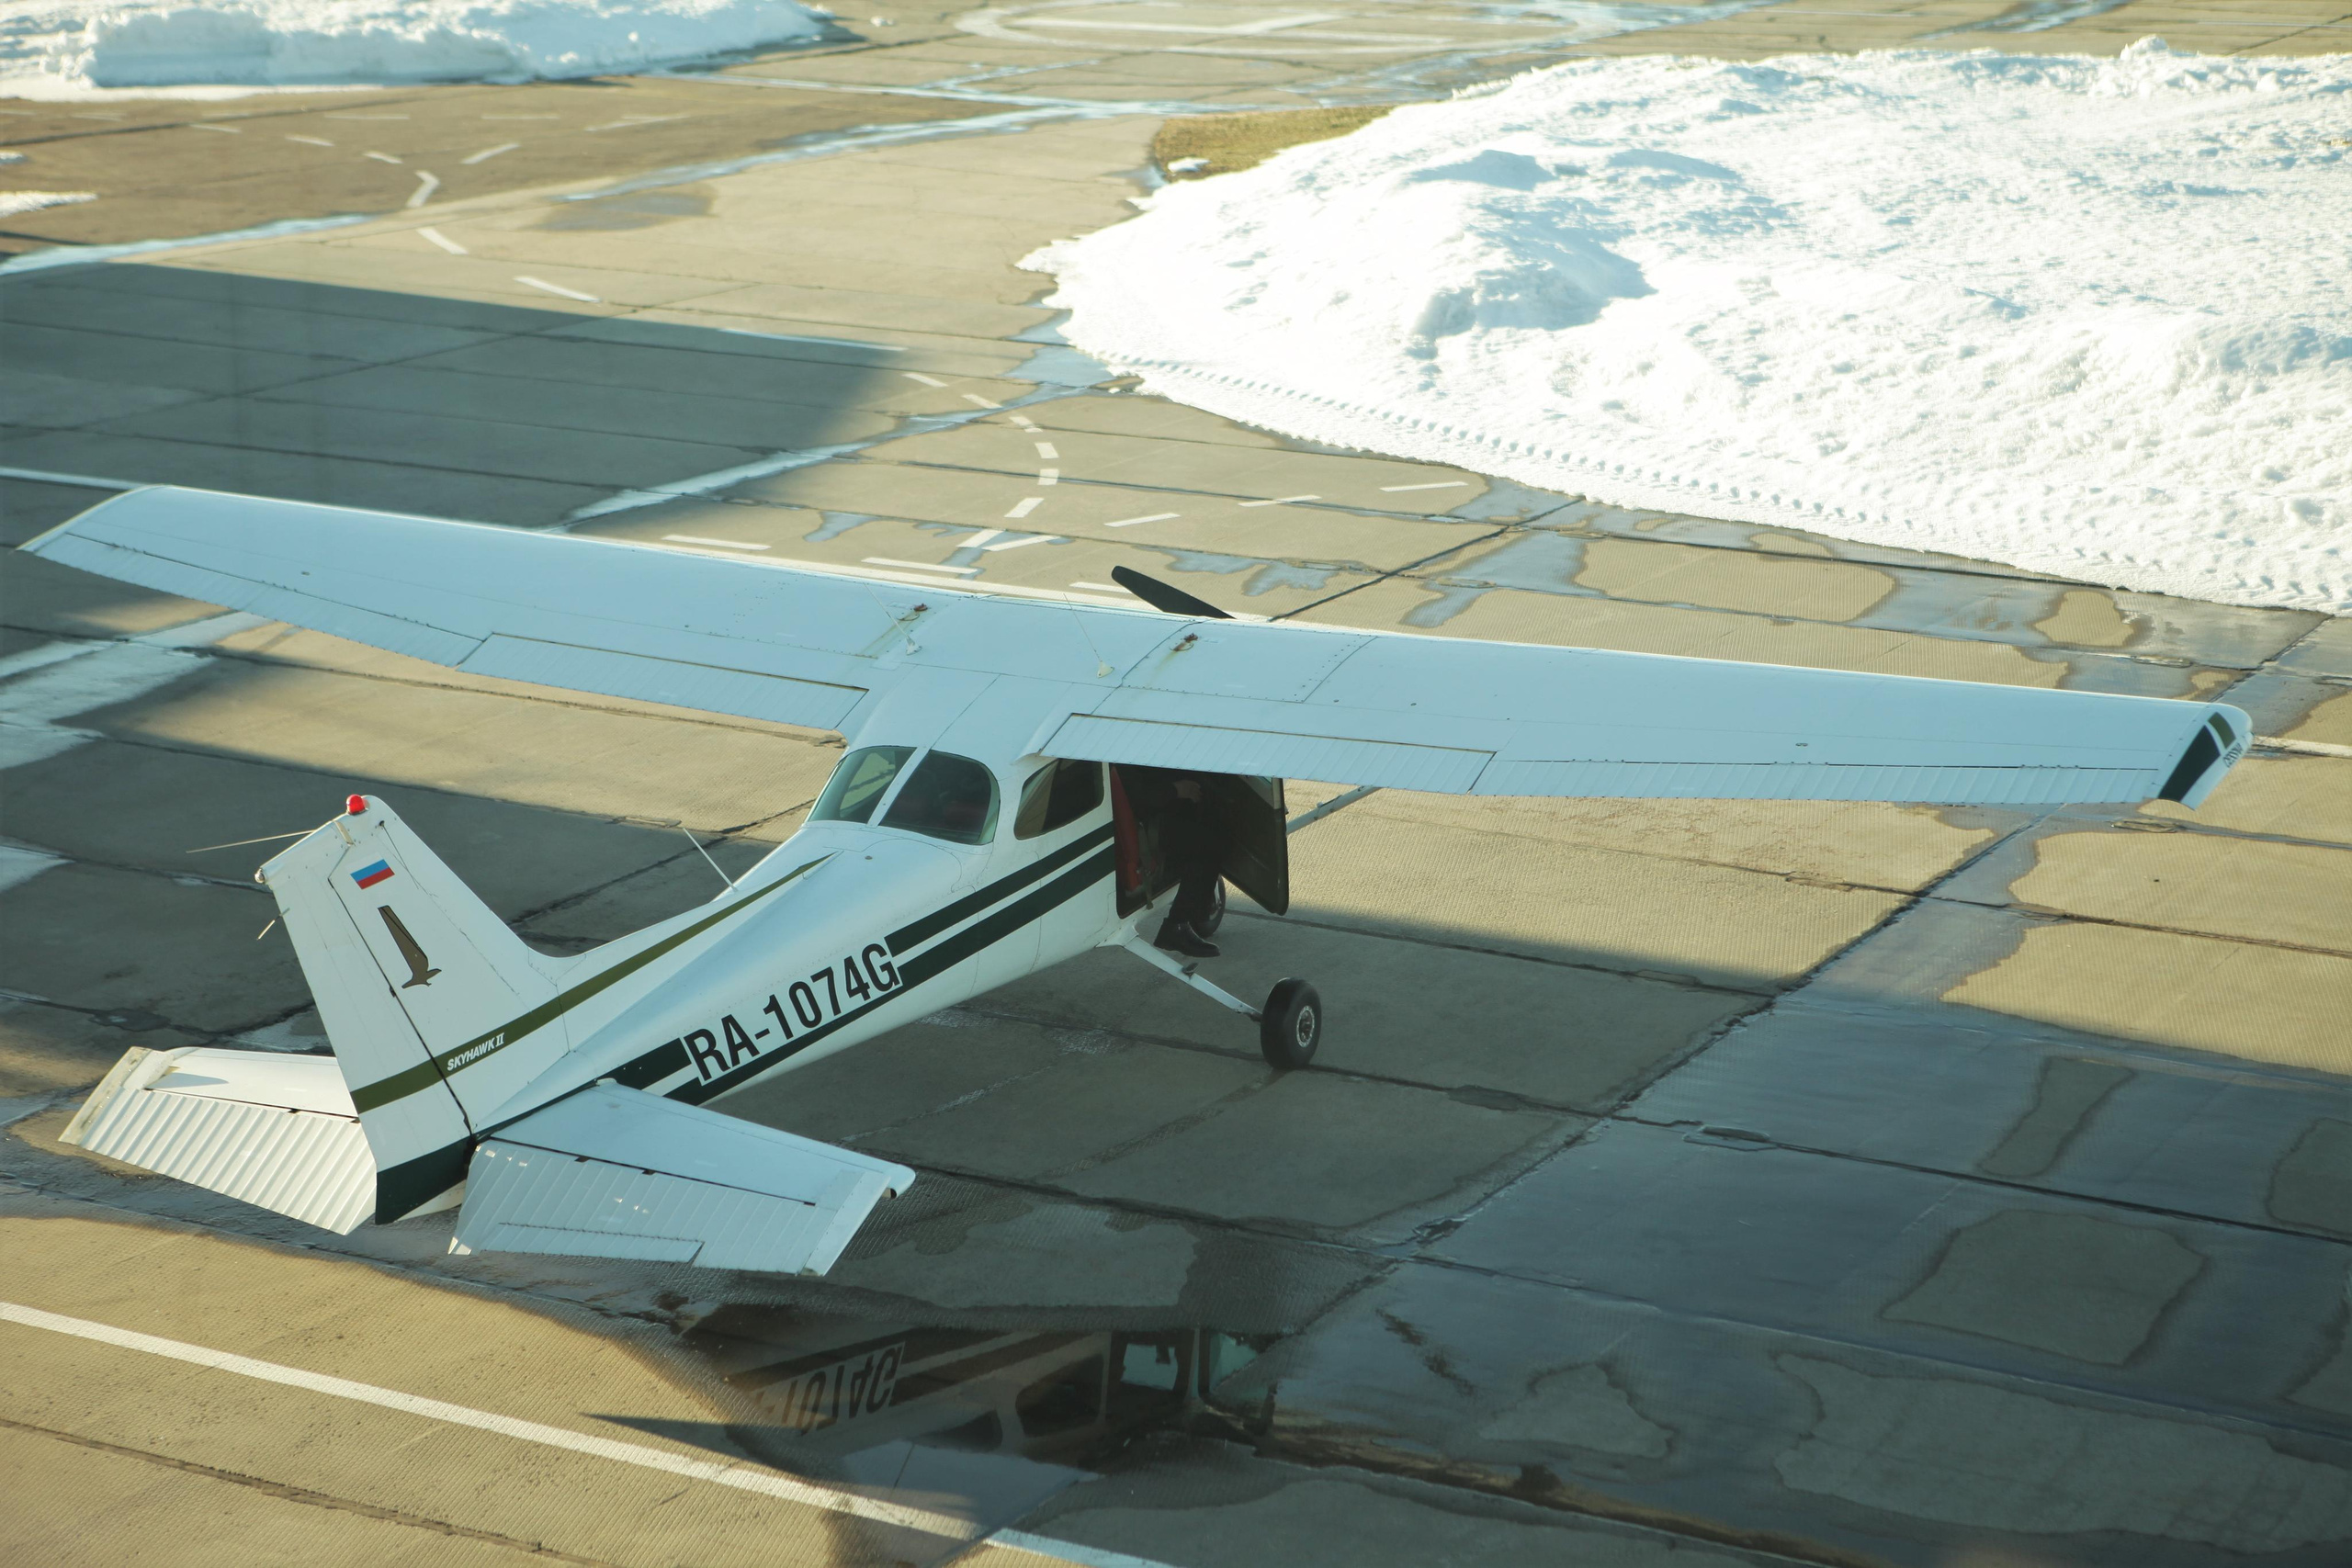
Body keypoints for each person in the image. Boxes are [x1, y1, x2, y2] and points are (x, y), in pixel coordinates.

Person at [1151, 772, 1223, 959]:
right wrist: (1176, 789)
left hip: (1152, 814)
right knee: (1210, 850)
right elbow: (1139, 794)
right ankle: (1177, 924)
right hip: (1148, 823)